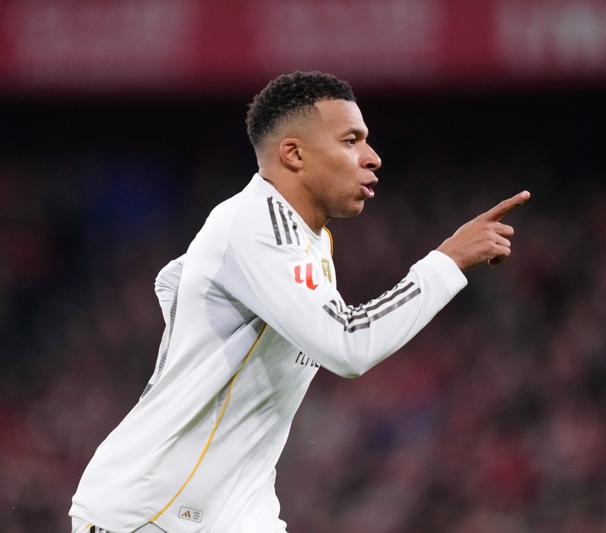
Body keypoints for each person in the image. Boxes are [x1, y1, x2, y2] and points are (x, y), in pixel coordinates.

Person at [69, 71, 529, 533]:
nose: (372, 157)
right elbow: (348, 346)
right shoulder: (256, 222)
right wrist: (447, 262)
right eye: (351, 140)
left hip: (234, 512)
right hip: (151, 512)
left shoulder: (305, 241)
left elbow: (171, 282)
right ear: (294, 154)